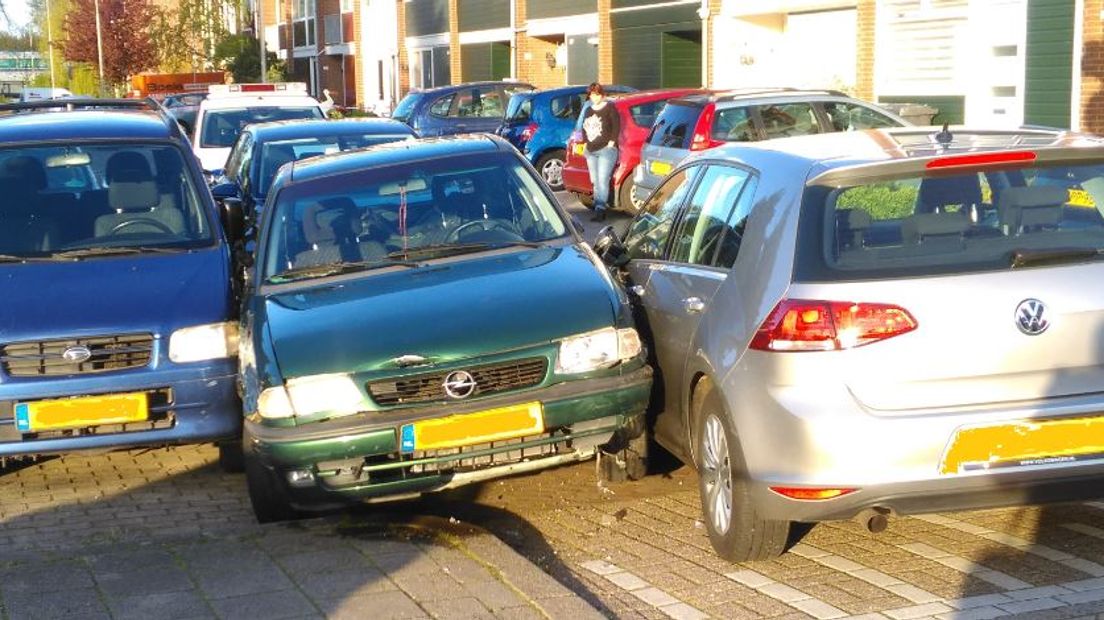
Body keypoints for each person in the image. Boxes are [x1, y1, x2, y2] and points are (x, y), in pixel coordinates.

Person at [581, 83, 620, 222]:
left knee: (603, 180)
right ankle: (599, 205)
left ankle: (600, 209)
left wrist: (611, 142)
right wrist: (585, 142)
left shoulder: (610, 107)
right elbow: (583, 128)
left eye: (597, 94)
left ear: (602, 95)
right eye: (592, 94)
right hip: (591, 150)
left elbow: (616, 126)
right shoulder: (588, 110)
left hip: (606, 150)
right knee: (595, 181)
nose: (594, 97)